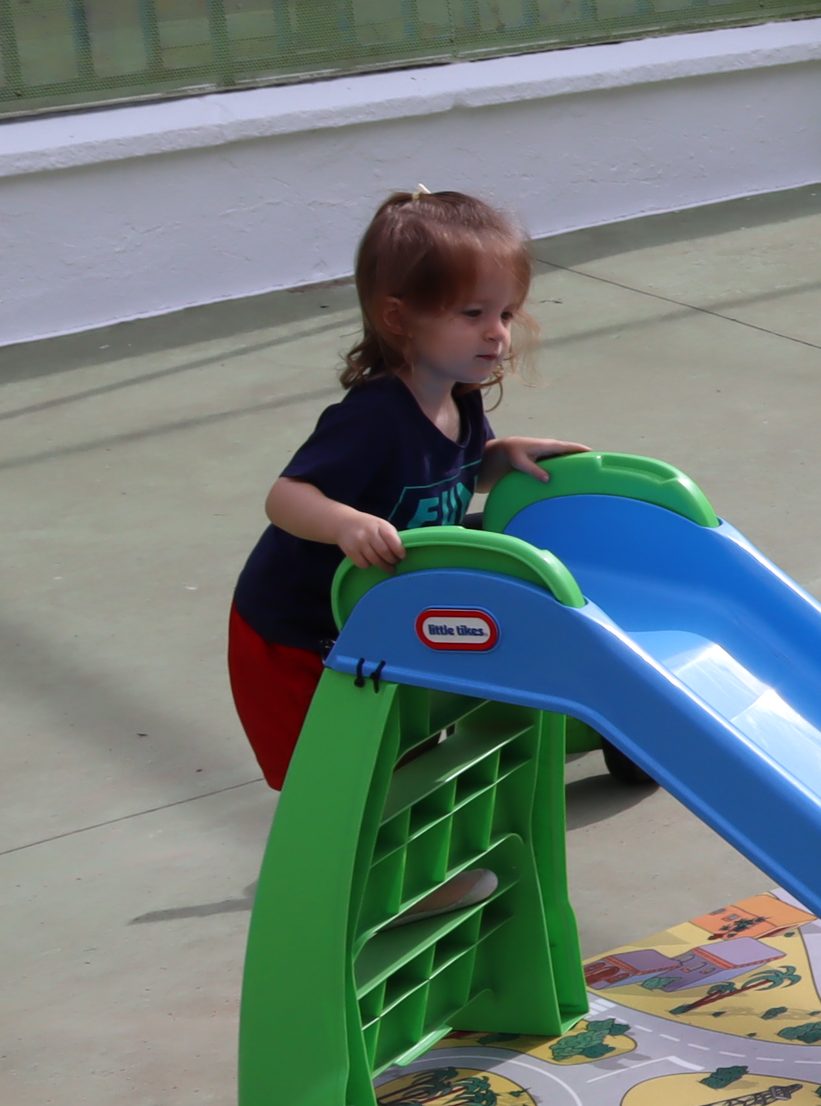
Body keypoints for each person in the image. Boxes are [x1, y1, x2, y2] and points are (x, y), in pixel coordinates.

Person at [227, 192, 583, 851]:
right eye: (472, 313)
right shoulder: (371, 419)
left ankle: (412, 861)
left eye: (505, 313)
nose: (497, 333)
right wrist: (341, 522)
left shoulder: (461, 404)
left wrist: (501, 458)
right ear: (400, 317)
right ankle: (358, 877)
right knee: (340, 769)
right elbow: (287, 495)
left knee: (406, 751)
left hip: (371, 628)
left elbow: (444, 476)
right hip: (294, 634)